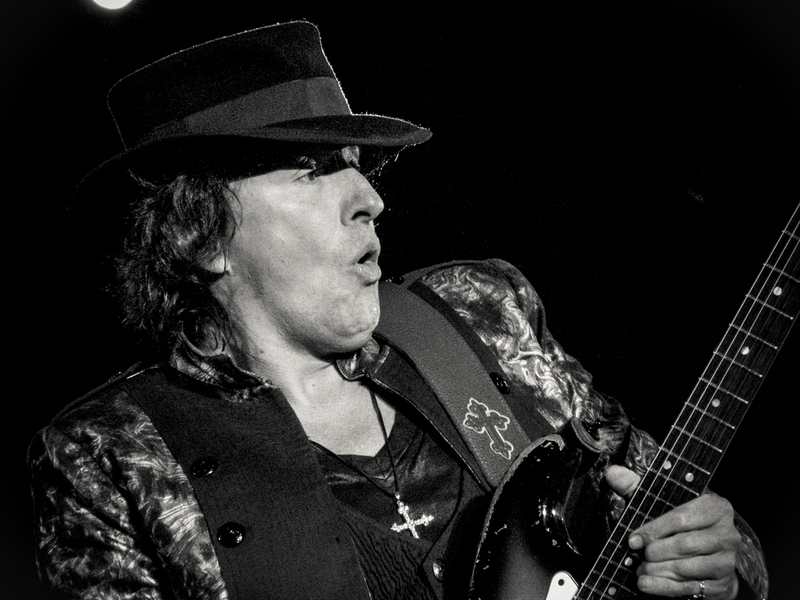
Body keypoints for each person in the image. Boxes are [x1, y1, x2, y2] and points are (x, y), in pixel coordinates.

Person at [28, 20, 767, 600]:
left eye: (361, 167)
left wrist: (723, 564)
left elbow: (681, 514)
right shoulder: (111, 455)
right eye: (315, 171)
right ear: (202, 235)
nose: (370, 200)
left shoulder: (482, 310)